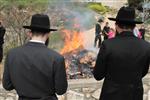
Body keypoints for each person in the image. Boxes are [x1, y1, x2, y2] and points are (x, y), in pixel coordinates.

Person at [3, 14, 68, 100]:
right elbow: (61, 90)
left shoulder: (12, 54)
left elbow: (7, 86)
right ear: (48, 34)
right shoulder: (56, 58)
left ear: (30, 33)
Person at [93, 6, 150, 100]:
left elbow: (98, 75)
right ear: (134, 26)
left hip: (111, 95)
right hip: (134, 95)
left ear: (116, 25)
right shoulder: (146, 46)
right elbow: (143, 72)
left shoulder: (108, 45)